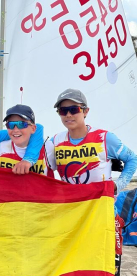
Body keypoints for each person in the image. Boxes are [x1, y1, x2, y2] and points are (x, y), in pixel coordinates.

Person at [48, 88, 137, 276]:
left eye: (74, 109)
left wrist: (117, 186)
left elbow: (132, 159)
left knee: (107, 267)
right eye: (63, 111)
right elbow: (45, 170)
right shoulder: (54, 142)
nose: (69, 115)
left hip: (103, 214)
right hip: (71, 215)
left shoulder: (105, 138)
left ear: (85, 111)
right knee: (75, 267)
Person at [0, 104, 54, 177]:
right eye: (10, 125)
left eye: (21, 124)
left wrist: (29, 159)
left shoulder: (49, 147)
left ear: (33, 128)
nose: (15, 130)